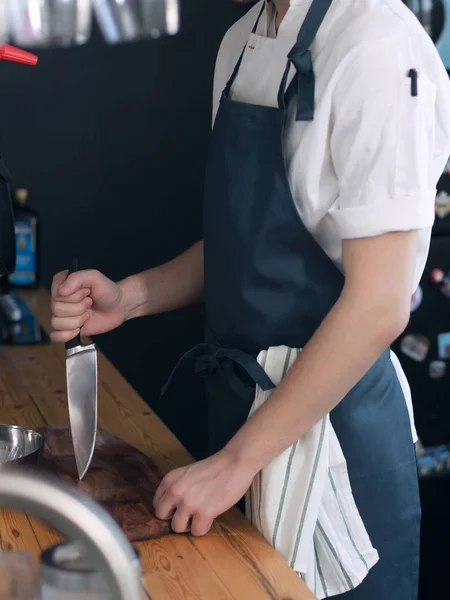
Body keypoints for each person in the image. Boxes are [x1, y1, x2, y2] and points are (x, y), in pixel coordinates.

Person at [51, 0, 450, 597]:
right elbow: (250, 242)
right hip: (239, 419)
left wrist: (236, 463)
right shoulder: (242, 39)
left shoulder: (378, 44)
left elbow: (379, 304)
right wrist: (130, 298)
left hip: (331, 442)